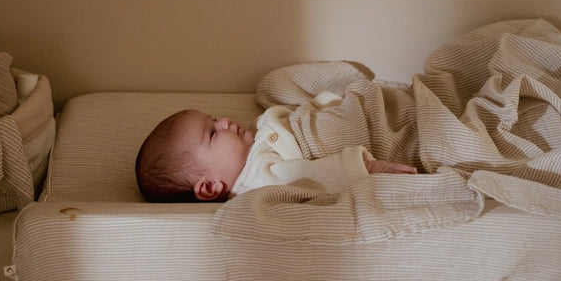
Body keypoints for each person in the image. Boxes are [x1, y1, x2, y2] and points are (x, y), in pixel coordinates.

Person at [135, 91, 417, 203]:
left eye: (213, 118)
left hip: (366, 107)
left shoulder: (251, 139)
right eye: (212, 133)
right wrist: (369, 168)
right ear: (209, 187)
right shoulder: (257, 181)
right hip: (374, 134)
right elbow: (313, 178)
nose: (223, 121)